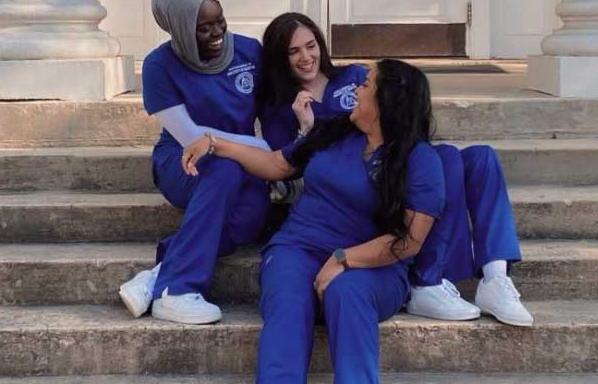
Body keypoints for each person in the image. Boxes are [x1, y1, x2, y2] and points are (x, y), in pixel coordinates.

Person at [258, 12, 533, 326]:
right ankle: (426, 280)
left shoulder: (352, 77)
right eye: (293, 52)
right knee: (445, 159)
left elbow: (397, 113)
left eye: (310, 45)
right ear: (280, 58)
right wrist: (305, 129)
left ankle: (495, 277)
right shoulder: (279, 107)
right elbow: (291, 165)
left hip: (398, 158)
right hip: (360, 182)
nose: (306, 57)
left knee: (480, 157)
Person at [183, 59, 445, 384]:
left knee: (347, 291)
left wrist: (344, 259)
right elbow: (277, 164)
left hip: (375, 268)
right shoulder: (334, 131)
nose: (356, 92)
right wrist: (214, 143)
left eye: (365, 85)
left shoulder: (420, 160)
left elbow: (408, 240)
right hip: (297, 248)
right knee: (288, 291)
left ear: (385, 100)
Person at [118, 0, 270, 324]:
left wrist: (274, 154)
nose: (217, 32)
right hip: (184, 161)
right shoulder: (159, 65)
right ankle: (179, 289)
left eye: (220, 21)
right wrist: (264, 150)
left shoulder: (250, 52)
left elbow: (273, 118)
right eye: (204, 28)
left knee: (250, 217)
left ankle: (159, 274)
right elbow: (191, 138)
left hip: (243, 161)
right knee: (223, 169)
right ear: (180, 28)